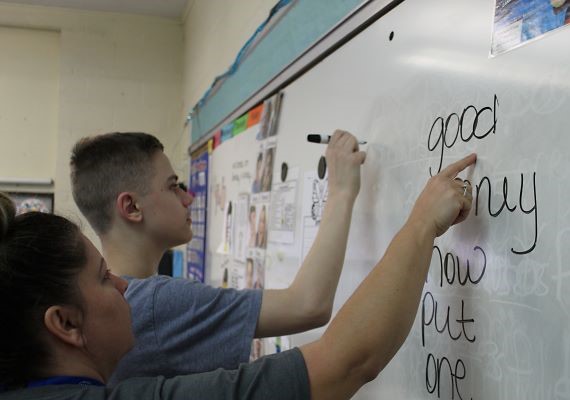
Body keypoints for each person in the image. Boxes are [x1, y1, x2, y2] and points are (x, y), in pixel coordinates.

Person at [0, 153, 476, 399]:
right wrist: (419, 225)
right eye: (104, 278)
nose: (125, 286)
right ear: (64, 323)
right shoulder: (154, 307)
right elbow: (344, 359)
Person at [69, 130, 366, 384]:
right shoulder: (155, 303)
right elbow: (308, 305)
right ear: (132, 207)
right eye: (174, 186)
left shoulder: (112, 305)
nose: (189, 198)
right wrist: (340, 192)